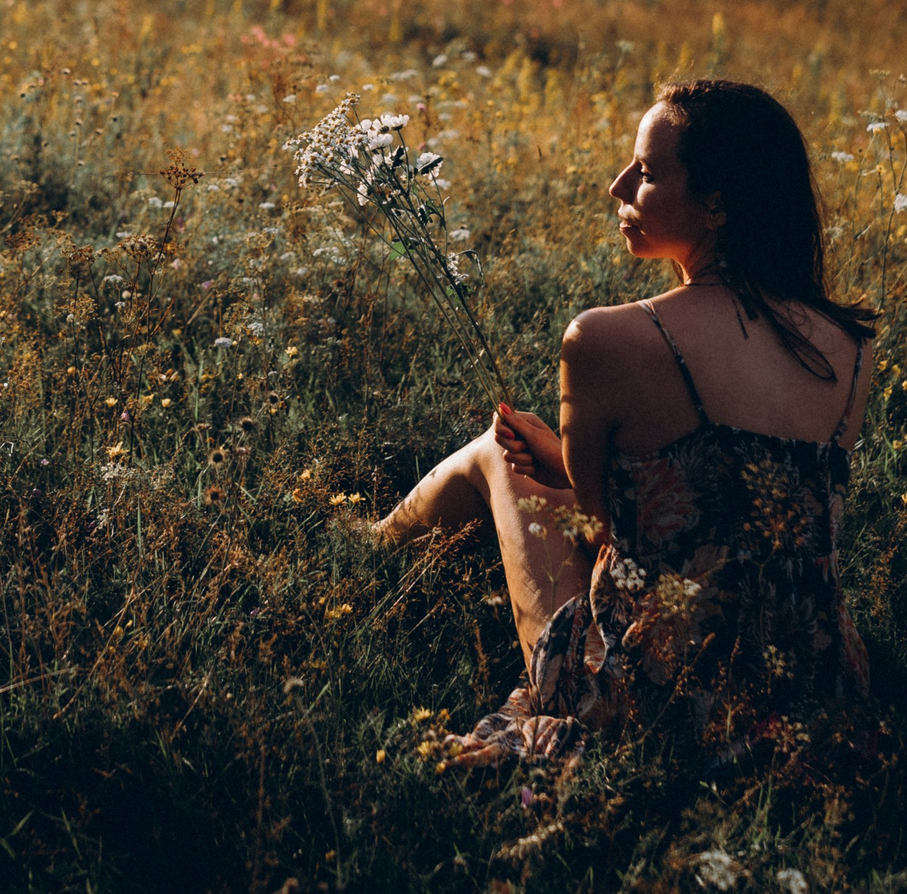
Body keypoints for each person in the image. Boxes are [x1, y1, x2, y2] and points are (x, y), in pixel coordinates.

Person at [373, 78, 877, 765]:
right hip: (809, 685)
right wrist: (571, 462)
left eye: (644, 172)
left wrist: (570, 469)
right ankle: (374, 543)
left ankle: (367, 547)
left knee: (498, 450)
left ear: (717, 203)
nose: (618, 186)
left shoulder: (610, 339)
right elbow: (745, 516)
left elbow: (605, 533)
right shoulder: (849, 347)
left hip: (661, 697)